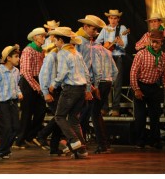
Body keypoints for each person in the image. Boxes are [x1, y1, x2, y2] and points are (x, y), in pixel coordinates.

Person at [48, 27, 93, 158]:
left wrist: (54, 84)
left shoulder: (62, 53)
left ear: (61, 40)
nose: (55, 43)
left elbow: (62, 73)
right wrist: (88, 89)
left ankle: (74, 141)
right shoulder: (77, 53)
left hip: (70, 89)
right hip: (81, 89)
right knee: (74, 119)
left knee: (59, 116)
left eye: (56, 40)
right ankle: (82, 151)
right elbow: (86, 73)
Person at [130, 30, 165, 149]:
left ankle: (154, 140)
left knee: (155, 115)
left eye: (157, 42)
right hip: (141, 85)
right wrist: (136, 89)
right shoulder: (142, 54)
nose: (154, 45)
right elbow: (133, 73)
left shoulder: (163, 56)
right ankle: (140, 141)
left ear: (161, 43)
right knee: (140, 116)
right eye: (153, 42)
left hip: (153, 86)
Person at [14, 27, 47, 149]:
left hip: (37, 80)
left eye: (44, 36)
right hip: (28, 82)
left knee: (41, 111)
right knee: (27, 112)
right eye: (42, 36)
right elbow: (26, 72)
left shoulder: (41, 51)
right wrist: (37, 87)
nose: (44, 38)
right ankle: (20, 140)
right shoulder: (28, 50)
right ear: (35, 37)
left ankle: (30, 135)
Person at [0, 44, 23, 159]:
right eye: (16, 56)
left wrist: (19, 92)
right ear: (8, 58)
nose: (19, 59)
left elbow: (16, 85)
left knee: (16, 127)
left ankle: (6, 149)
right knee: (7, 127)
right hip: (2, 103)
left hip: (12, 102)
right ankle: (2, 151)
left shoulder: (16, 71)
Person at [75, 15, 106, 140]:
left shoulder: (89, 42)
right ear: (85, 26)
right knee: (78, 113)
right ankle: (73, 140)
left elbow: (92, 66)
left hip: (88, 82)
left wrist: (94, 85)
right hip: (79, 82)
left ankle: (78, 140)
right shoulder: (78, 40)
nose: (95, 32)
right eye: (93, 29)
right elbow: (78, 66)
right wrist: (87, 87)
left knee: (86, 112)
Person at [96, 9, 128, 117]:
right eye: (111, 18)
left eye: (115, 18)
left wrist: (119, 42)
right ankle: (104, 107)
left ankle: (115, 108)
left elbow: (125, 45)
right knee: (105, 83)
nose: (113, 20)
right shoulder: (105, 29)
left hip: (117, 57)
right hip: (106, 58)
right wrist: (105, 46)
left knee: (117, 83)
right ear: (108, 18)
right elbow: (97, 42)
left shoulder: (122, 29)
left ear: (118, 19)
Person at [91, 44, 118, 153]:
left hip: (100, 82)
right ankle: (105, 143)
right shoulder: (107, 51)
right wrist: (110, 81)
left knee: (94, 114)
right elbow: (115, 71)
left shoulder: (93, 50)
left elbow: (97, 70)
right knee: (97, 113)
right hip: (107, 82)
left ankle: (102, 145)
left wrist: (96, 86)